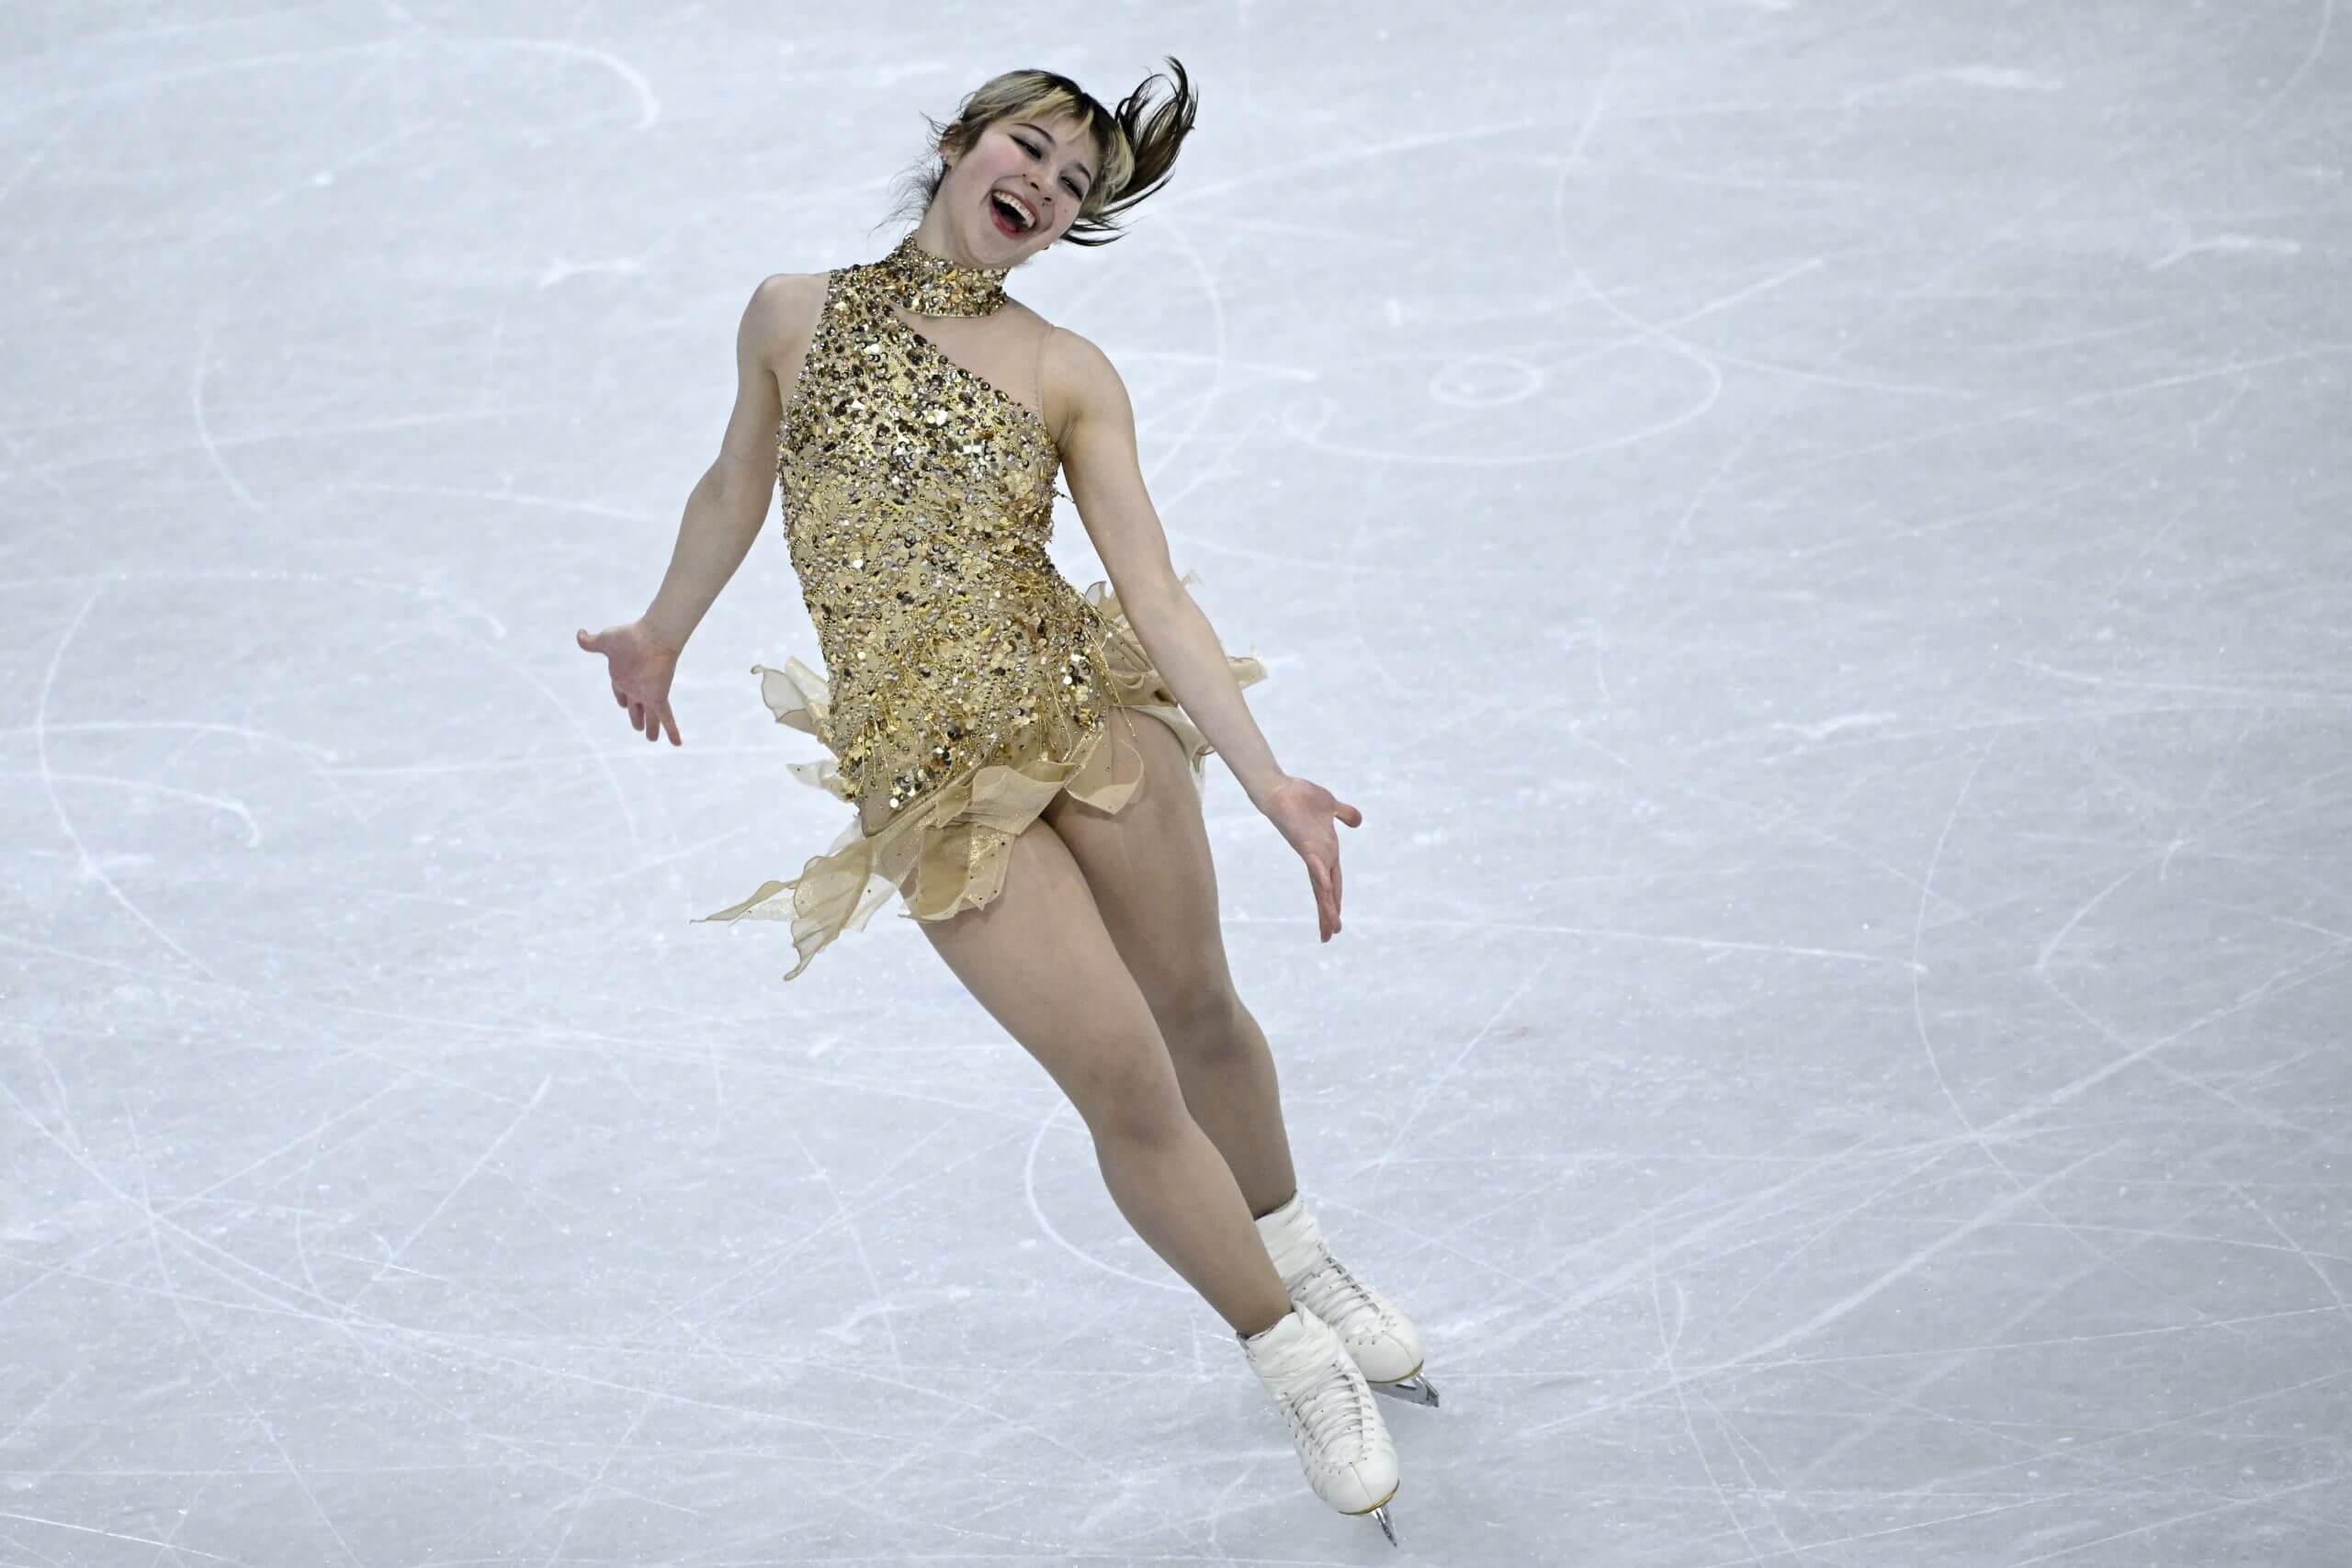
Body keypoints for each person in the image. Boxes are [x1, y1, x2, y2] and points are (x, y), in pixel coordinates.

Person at [575, 61, 1434, 1544]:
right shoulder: (793, 313)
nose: (1044, 181)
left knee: (1202, 1014)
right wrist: (664, 627)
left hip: (1080, 716)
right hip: (931, 778)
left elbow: (1152, 591)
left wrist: (1267, 772)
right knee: (1121, 1083)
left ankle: (1294, 1247)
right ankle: (1288, 1354)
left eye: (1076, 184)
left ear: (1068, 227)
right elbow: (736, 484)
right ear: (965, 144)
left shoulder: (1067, 370)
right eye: (1030, 145)